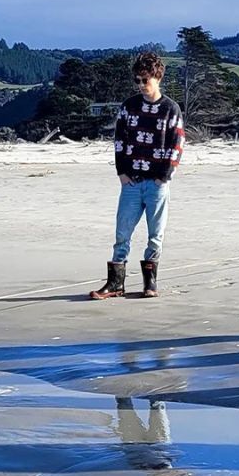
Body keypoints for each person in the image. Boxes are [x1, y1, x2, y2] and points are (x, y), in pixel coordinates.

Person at [89, 51, 184, 300]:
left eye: (145, 80)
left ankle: (150, 284)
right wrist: (121, 172)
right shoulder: (129, 107)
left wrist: (164, 175)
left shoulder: (170, 109)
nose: (141, 85)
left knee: (155, 236)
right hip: (131, 181)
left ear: (157, 78)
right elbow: (119, 139)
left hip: (156, 183)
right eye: (137, 80)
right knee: (122, 234)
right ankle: (115, 284)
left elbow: (177, 144)